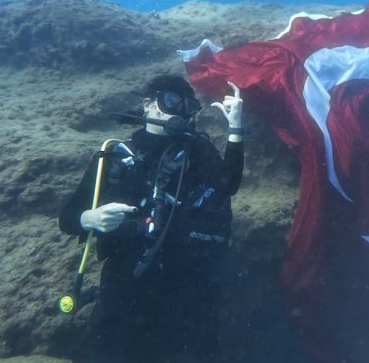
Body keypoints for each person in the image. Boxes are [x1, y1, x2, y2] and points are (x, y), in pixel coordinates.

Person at [59, 74, 244, 362]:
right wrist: (91, 218)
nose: (179, 112)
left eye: (188, 105)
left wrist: (235, 128)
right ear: (148, 104)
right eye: (171, 101)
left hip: (188, 280)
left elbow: (228, 184)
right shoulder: (114, 156)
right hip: (126, 280)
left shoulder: (197, 149)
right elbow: (68, 217)